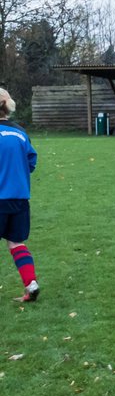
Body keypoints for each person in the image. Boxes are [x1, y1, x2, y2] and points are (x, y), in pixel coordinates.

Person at [0, 89, 40, 304]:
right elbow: (31, 162)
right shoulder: (20, 133)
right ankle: (31, 283)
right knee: (16, 242)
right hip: (19, 198)